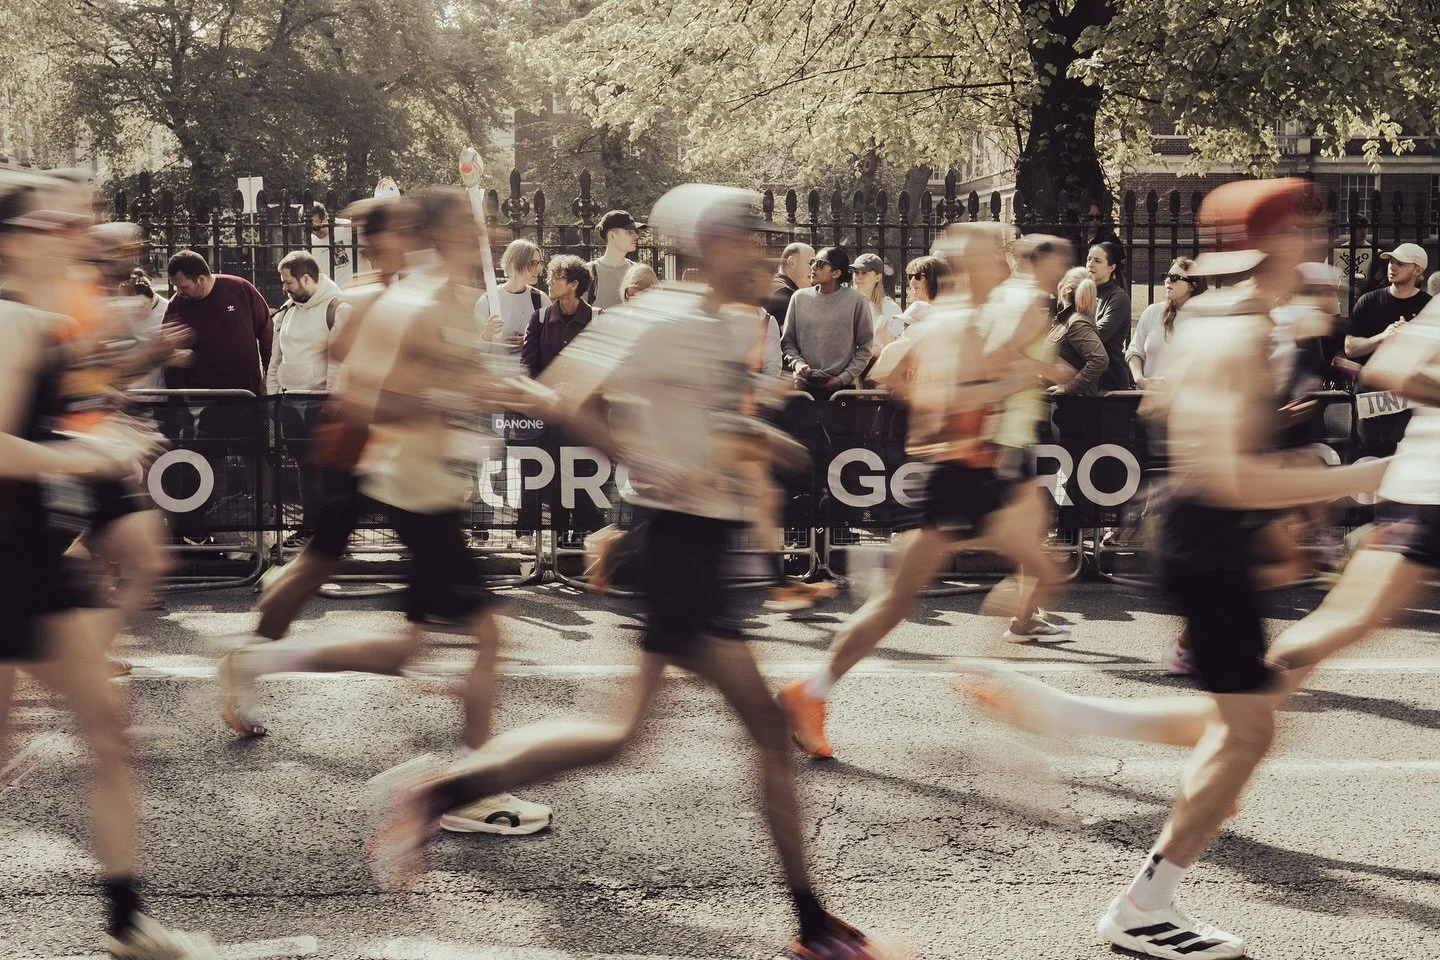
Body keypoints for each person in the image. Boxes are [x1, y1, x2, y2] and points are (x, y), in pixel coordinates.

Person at [365, 184, 902, 960]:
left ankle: (440, 793)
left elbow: (703, 421)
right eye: (749, 240)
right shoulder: (661, 319)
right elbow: (560, 397)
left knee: (625, 736)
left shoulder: (729, 325)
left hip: (692, 544)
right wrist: (642, 473)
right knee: (753, 732)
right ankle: (813, 924)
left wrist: (751, 441)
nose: (762, 254)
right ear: (712, 245)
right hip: (679, 546)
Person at [969, 179, 1390, 960]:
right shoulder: (1236, 334)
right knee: (1250, 731)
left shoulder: (1214, 317)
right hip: (1209, 535)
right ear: (1275, 242)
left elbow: (1172, 416)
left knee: (1250, 720)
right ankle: (1140, 907)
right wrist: (1356, 477)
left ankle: (1072, 720)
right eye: (1308, 229)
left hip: (1193, 529)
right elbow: (1230, 477)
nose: (1320, 243)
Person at [221, 187, 553, 836]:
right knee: (488, 638)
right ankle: (468, 789)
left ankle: (257, 661)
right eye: (470, 225)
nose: (484, 231)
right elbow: (375, 398)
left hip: (428, 486)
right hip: (416, 488)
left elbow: (444, 385)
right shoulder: (411, 301)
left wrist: (496, 389)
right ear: (441, 235)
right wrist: (458, 396)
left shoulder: (449, 302)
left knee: (407, 647)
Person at [0, 175, 221, 959]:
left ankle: (127, 925)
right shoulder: (11, 321)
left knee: (108, 735)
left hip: (33, 564)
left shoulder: (51, 319)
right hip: (9, 561)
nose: (74, 232)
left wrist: (98, 439)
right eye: (53, 221)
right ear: (12, 239)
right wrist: (91, 450)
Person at [777, 226, 1080, 760]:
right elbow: (961, 390)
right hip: (966, 474)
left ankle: (819, 689)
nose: (1005, 264)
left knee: (1019, 570)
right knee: (916, 596)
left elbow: (888, 367)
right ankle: (977, 678)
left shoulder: (946, 317)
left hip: (976, 469)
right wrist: (1012, 383)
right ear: (974, 264)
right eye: (995, 256)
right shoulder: (965, 322)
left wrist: (926, 411)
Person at [268, 250, 351, 545]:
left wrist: (332, 405)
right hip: (291, 402)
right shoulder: (288, 309)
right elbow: (276, 357)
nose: (284, 288)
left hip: (321, 402)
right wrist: (272, 395)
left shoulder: (337, 308)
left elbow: (339, 364)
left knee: (328, 470)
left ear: (306, 278)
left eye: (288, 282)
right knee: (305, 468)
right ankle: (310, 527)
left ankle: (330, 534)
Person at [1343, 242, 1431, 457]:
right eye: (1391, 261)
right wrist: (1382, 337)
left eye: (1400, 263)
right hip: (1370, 394)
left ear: (1418, 270)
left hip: (1409, 397)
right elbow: (1350, 348)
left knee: (1404, 457)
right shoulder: (1369, 301)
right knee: (1368, 456)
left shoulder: (1429, 307)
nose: (1392, 267)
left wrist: (1414, 336)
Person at [780, 246, 872, 399]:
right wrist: (798, 364)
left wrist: (843, 378)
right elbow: (788, 343)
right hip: (804, 388)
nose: (813, 267)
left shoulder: (857, 300)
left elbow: (865, 347)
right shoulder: (799, 298)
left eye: (820, 263)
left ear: (836, 273)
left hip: (842, 390)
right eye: (812, 261)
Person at [1127, 258, 1206, 390]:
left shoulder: (1203, 320)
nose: (1168, 281)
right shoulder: (1152, 312)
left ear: (1192, 286)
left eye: (1175, 277)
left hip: (1183, 401)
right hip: (1146, 397)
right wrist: (1140, 380)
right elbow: (1135, 351)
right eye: (1167, 276)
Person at [522, 254, 595, 379]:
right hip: (546, 396)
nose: (549, 281)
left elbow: (603, 370)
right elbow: (528, 366)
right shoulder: (539, 318)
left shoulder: (596, 318)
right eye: (550, 277)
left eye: (556, 277)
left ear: (574, 284)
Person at [1045, 267, 1110, 397]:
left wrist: (1070, 388)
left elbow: (1100, 359)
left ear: (1066, 289)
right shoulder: (1067, 320)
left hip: (1074, 407)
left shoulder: (1077, 323)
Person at [476, 238, 549, 353]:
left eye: (540, 263)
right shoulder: (487, 301)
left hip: (528, 370)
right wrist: (486, 335)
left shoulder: (541, 299)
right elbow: (473, 352)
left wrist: (530, 341)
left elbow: (552, 343)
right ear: (515, 263)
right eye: (534, 263)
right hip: (497, 369)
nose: (539, 269)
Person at [1085, 240, 1134, 389]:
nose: (1090, 264)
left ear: (1111, 267)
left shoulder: (1118, 297)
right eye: (1089, 259)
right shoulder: (1081, 292)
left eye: (1098, 261)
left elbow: (1099, 335)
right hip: (1084, 378)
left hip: (1110, 381)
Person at [585, 209, 644, 309]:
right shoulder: (588, 272)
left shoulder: (638, 271)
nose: (636, 236)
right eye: (629, 231)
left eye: (635, 231)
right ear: (612, 236)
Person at [851, 252, 902, 347]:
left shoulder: (891, 309)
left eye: (864, 272)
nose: (859, 277)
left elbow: (894, 350)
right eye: (856, 272)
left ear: (878, 277)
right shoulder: (845, 304)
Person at [765, 241, 815, 331]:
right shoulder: (784, 294)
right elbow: (798, 339)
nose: (813, 269)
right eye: (811, 263)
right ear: (792, 263)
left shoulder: (774, 286)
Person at [309, 201, 355, 288]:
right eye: (310, 230)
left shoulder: (347, 227)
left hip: (355, 292)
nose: (315, 232)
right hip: (332, 295)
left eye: (317, 227)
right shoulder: (311, 241)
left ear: (326, 216)